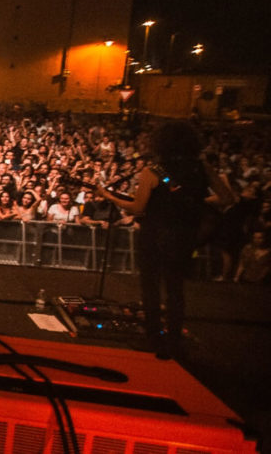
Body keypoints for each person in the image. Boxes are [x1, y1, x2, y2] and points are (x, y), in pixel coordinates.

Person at [97, 121, 234, 359]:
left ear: (160, 143)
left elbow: (138, 208)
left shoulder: (153, 171)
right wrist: (196, 202)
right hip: (185, 235)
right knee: (175, 289)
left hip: (154, 235)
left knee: (150, 287)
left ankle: (154, 338)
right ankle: (174, 341)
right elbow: (226, 197)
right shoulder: (201, 168)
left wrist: (109, 196)